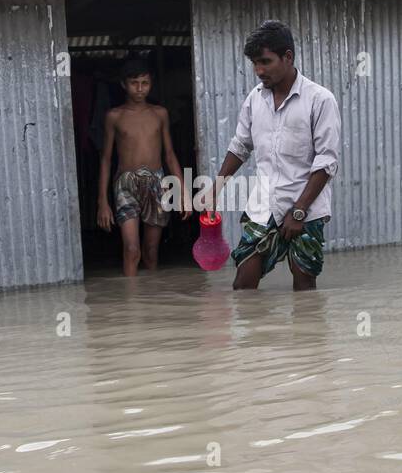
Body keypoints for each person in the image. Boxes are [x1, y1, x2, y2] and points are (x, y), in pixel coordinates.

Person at [207, 20, 341, 291]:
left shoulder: (320, 100)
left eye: (265, 62)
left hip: (308, 207)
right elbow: (240, 146)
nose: (258, 71)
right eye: (255, 63)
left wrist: (300, 211)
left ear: (288, 57)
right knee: (243, 283)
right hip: (264, 203)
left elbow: (326, 162)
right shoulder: (255, 99)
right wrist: (214, 189)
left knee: (304, 285)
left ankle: (305, 335)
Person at [97, 58, 189, 275]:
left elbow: (169, 154)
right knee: (131, 249)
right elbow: (106, 159)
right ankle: (132, 302)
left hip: (157, 183)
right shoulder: (114, 116)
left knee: (151, 250)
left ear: (151, 84)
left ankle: (150, 303)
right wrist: (103, 201)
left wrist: (182, 191)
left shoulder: (160, 114)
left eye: (145, 83)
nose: (140, 88)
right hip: (125, 185)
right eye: (134, 83)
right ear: (123, 85)